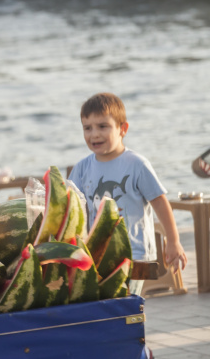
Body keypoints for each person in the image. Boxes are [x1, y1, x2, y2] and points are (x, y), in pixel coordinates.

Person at [68, 93, 187, 295]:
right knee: (106, 308)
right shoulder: (81, 168)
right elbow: (71, 207)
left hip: (134, 254)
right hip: (96, 254)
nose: (94, 134)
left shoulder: (137, 165)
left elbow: (159, 202)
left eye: (102, 126)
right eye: (87, 128)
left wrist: (173, 242)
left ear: (123, 129)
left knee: (127, 306)